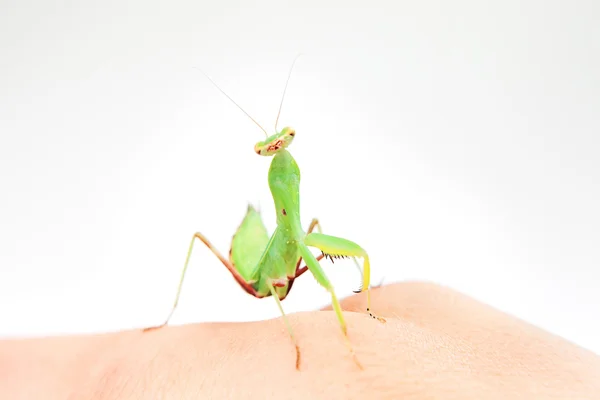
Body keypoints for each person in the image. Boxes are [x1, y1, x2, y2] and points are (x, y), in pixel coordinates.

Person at [1, 282, 598, 399]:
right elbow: (276, 288)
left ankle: (356, 320)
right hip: (258, 270)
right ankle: (172, 309)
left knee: (323, 237)